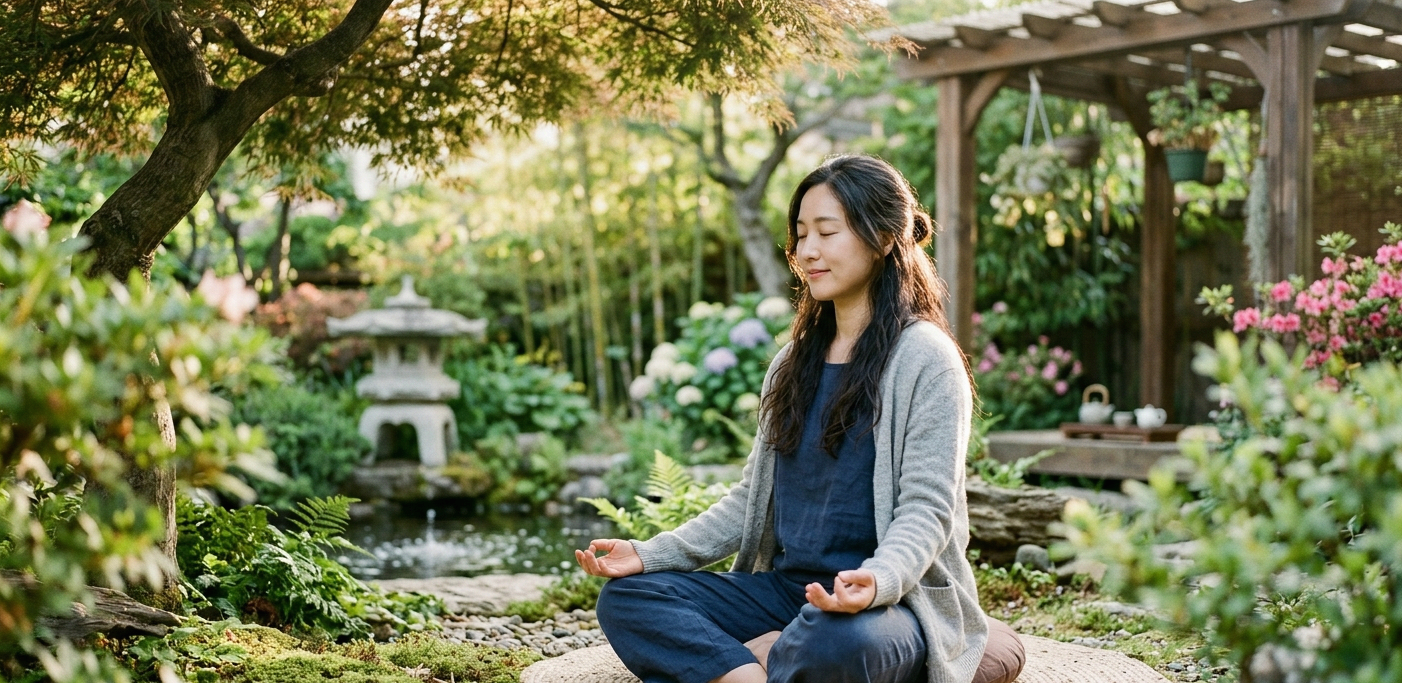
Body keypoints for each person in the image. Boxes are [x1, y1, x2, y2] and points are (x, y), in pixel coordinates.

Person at [575, 154, 1025, 683]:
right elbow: (750, 500)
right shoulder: (791, 363)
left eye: (827, 232)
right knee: (628, 597)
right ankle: (754, 672)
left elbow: (927, 510)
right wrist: (649, 554)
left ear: (884, 239)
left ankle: (766, 655)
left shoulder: (926, 359)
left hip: (889, 603)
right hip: (789, 593)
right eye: (801, 233)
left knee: (840, 641)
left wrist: (877, 581)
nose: (807, 250)